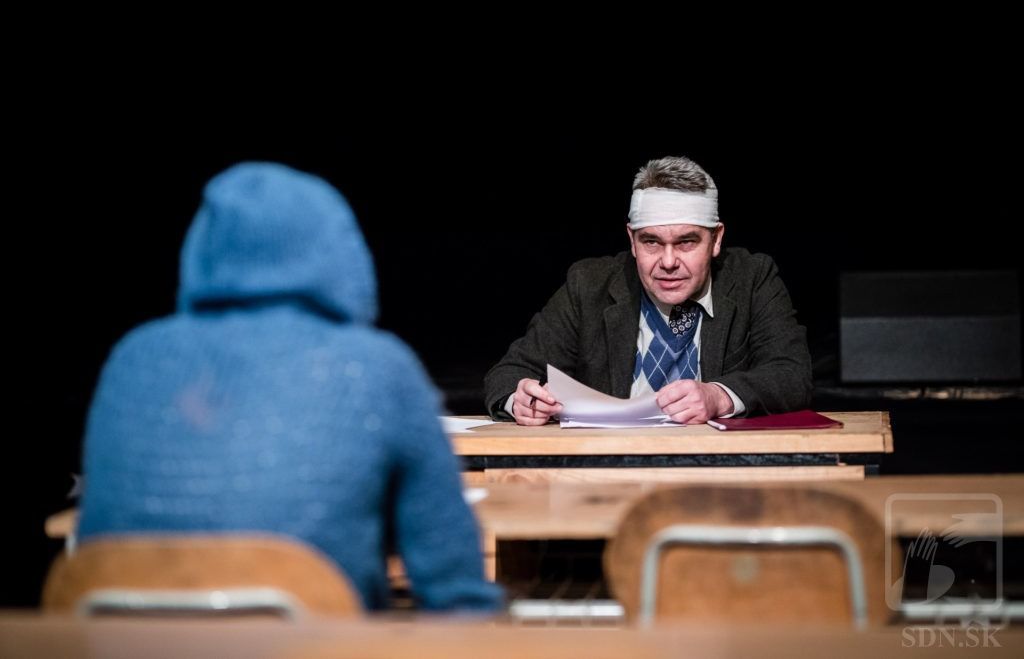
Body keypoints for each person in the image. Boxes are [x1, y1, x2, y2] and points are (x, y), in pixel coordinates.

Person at [77, 162, 502, 613]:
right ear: (342, 252)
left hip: (126, 641)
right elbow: (454, 587)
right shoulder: (377, 367)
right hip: (320, 640)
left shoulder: (133, 359)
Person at [484, 155, 812, 426]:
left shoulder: (752, 278)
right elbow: (509, 373)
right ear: (632, 240)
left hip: (717, 469)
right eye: (651, 242)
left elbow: (792, 375)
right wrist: (520, 400)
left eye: (686, 242)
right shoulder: (589, 284)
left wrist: (718, 396)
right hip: (608, 466)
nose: (668, 262)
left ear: (716, 240)